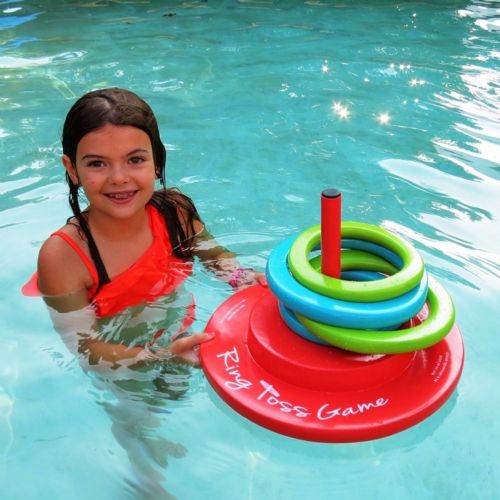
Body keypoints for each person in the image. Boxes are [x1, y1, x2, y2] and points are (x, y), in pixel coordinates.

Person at [36, 87, 265, 367]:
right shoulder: (63, 257)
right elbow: (85, 348)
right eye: (97, 163)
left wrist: (240, 278)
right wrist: (157, 356)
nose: (119, 178)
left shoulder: (175, 213)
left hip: (180, 335)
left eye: (135, 160)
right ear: (72, 169)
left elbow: (214, 256)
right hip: (121, 368)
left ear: (157, 161)